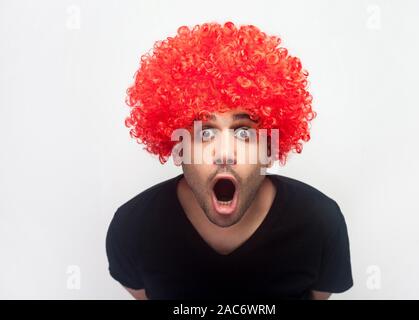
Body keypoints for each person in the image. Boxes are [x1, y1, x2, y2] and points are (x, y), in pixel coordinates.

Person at [106, 21, 353, 300]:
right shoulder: (133, 227)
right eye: (205, 132)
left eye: (244, 132)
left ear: (269, 146)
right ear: (179, 145)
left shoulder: (319, 222)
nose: (225, 152)